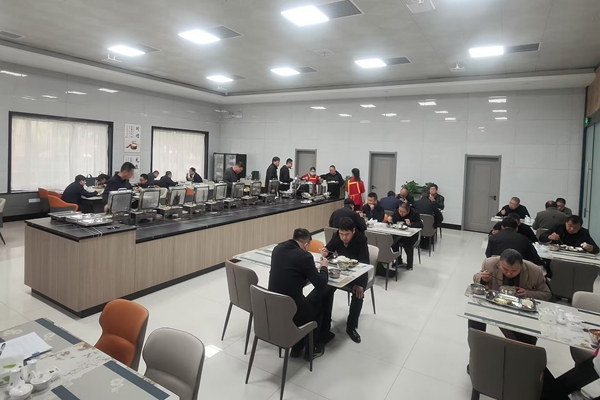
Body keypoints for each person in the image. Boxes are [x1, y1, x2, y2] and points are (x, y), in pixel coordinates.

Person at [268, 228, 330, 359]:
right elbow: (320, 284)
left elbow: (289, 274)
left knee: (305, 299)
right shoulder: (304, 256)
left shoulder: (277, 249)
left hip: (274, 305)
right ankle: (311, 349)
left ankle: (297, 347)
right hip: (292, 309)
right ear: (305, 245)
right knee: (320, 300)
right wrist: (324, 267)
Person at [469, 249, 551, 346]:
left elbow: (547, 294)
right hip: (495, 305)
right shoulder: (489, 263)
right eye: (505, 269)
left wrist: (527, 293)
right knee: (474, 316)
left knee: (525, 341)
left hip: (519, 311)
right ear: (499, 263)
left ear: (521, 266)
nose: (509, 273)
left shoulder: (535, 271)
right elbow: (476, 279)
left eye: (514, 271)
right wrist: (482, 279)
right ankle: (477, 348)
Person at [322, 217, 369, 343]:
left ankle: (351, 327)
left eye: (347, 234)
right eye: (341, 234)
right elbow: (329, 250)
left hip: (358, 274)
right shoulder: (336, 236)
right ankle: (325, 324)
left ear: (353, 231)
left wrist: (360, 284)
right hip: (340, 271)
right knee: (325, 289)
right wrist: (326, 252)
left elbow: (365, 263)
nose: (343, 237)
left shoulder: (361, 239)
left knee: (358, 294)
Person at [387, 203, 424, 270]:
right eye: (400, 211)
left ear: (408, 211)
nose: (401, 213)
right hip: (398, 234)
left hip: (411, 236)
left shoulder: (414, 213)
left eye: (403, 212)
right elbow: (393, 220)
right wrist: (390, 219)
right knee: (393, 242)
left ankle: (409, 263)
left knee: (408, 244)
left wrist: (411, 224)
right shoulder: (396, 211)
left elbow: (421, 225)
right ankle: (398, 260)